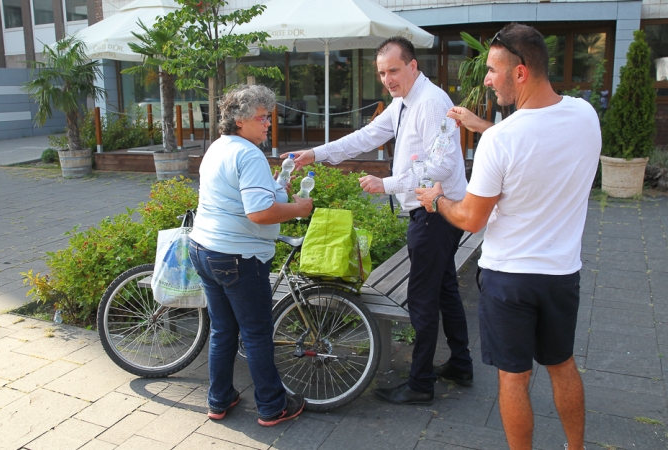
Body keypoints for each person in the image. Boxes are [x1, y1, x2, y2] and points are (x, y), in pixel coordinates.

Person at [417, 23, 600, 449]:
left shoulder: (501, 141)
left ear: (519, 73)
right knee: (562, 364)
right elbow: (537, 139)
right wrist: (484, 126)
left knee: (514, 377)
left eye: (493, 69)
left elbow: (470, 219)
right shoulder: (583, 115)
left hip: (509, 279)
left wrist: (437, 199)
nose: (486, 78)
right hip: (561, 275)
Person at [285, 36, 473, 405]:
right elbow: (367, 135)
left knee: (421, 300)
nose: (387, 78)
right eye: (382, 72)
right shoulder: (404, 100)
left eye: (394, 70)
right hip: (432, 211)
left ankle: (420, 384)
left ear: (413, 66)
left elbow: (444, 165)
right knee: (445, 291)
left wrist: (386, 183)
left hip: (435, 212)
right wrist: (314, 153)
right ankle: (461, 365)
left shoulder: (431, 102)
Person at [188, 85, 313, 427]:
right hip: (238, 257)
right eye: (262, 117)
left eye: (269, 117)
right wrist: (299, 208)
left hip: (203, 248)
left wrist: (275, 189)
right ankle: (272, 406)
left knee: (223, 330)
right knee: (257, 333)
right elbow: (259, 214)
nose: (268, 123)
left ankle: (219, 399)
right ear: (240, 120)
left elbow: (243, 197)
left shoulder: (218, 147)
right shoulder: (249, 154)